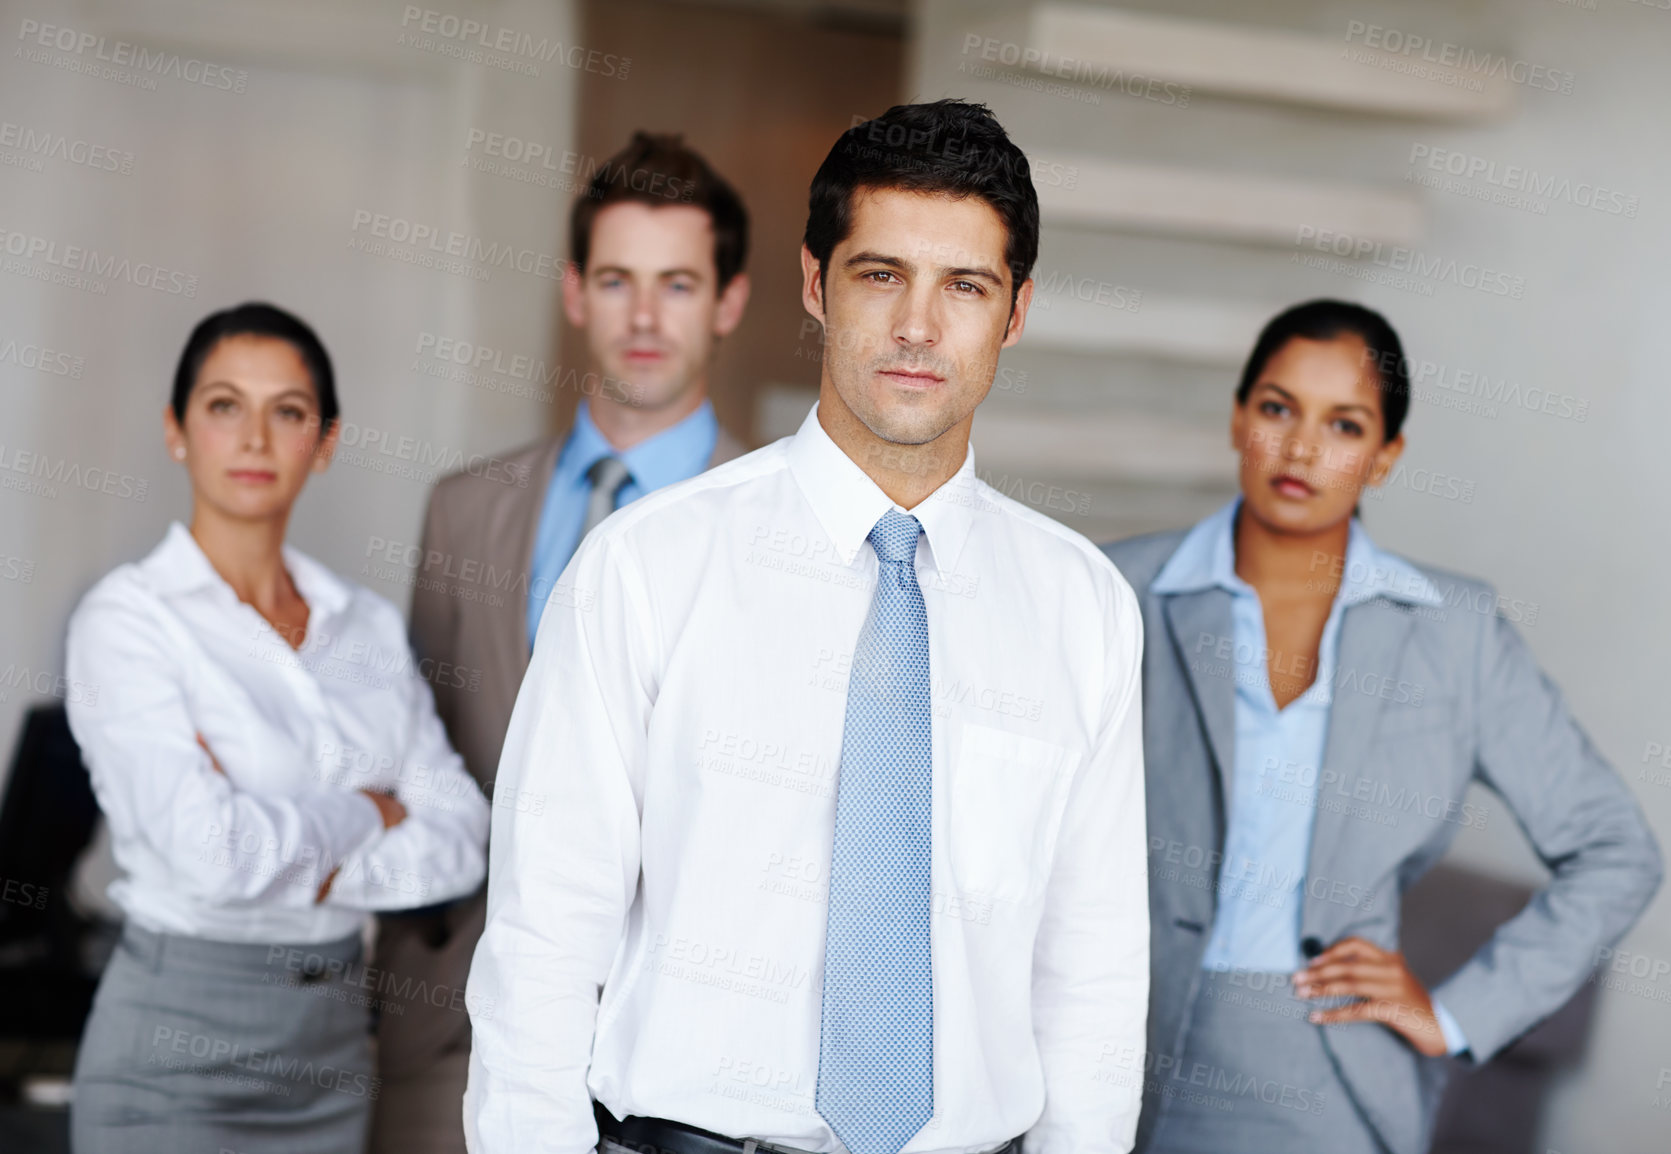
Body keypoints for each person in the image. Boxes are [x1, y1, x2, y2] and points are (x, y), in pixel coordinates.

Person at [464, 99, 1150, 1154]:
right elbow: (542, 939)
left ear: (1013, 313)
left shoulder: (1083, 606)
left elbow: (1093, 971)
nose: (918, 325)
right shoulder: (647, 568)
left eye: (964, 285)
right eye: (881, 274)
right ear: (813, 282)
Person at [1103, 299, 1664, 1154]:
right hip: (1120, 1059)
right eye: (1278, 408)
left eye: (1345, 424)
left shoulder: (1454, 630)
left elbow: (1617, 850)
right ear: (1237, 416)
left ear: (1386, 456)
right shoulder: (1117, 591)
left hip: (1336, 1087)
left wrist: (1458, 1013)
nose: (1300, 450)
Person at [368, 131, 752, 1154]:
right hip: (456, 1025)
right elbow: (422, 755)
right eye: (617, 279)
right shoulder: (463, 509)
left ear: (729, 301)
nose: (642, 315)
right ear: (575, 291)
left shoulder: (786, 525)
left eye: (677, 283)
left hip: (687, 1049)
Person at [64, 302, 491, 1153]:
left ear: (324, 441)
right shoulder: (128, 621)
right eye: (224, 405)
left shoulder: (362, 624)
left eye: (287, 412)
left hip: (332, 1049)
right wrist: (368, 811)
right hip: (171, 1052)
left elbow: (464, 836)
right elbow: (210, 856)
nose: (254, 438)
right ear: (176, 430)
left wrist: (289, 855)